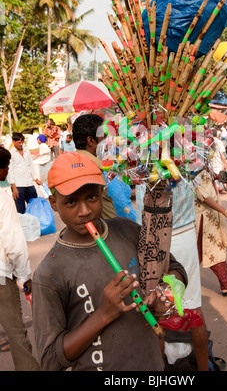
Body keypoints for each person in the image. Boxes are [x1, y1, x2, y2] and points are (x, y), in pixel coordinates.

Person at [32, 152, 187, 371]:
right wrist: (104, 314)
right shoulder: (49, 273)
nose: (84, 211)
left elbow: (174, 268)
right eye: (71, 202)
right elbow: (49, 359)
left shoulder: (127, 230)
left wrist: (164, 292)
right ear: (53, 203)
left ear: (101, 192)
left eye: (91, 198)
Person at [136, 182, 209, 371]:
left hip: (151, 233)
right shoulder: (186, 154)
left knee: (155, 312)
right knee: (193, 308)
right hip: (182, 232)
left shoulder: (141, 157)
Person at [0, 147, 40, 370]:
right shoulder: (3, 201)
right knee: (17, 335)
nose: (7, 172)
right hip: (1, 276)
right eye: (5, 167)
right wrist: (25, 276)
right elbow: (14, 244)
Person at [194, 168, 227, 296]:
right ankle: (179, 287)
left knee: (216, 251)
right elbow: (203, 196)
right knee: (194, 255)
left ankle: (226, 285)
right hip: (202, 219)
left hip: (212, 217)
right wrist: (224, 211)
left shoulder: (203, 162)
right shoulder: (191, 167)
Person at [72, 113, 117, 219]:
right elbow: (104, 213)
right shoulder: (92, 170)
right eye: (104, 137)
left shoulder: (76, 162)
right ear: (91, 141)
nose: (108, 141)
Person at [7, 132, 41, 214]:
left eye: (22, 142)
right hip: (18, 185)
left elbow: (31, 165)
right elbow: (10, 170)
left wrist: (36, 179)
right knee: (20, 210)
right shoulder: (10, 153)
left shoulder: (26, 150)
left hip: (29, 183)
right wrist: (14, 188)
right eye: (19, 142)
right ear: (13, 142)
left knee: (34, 207)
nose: (21, 144)